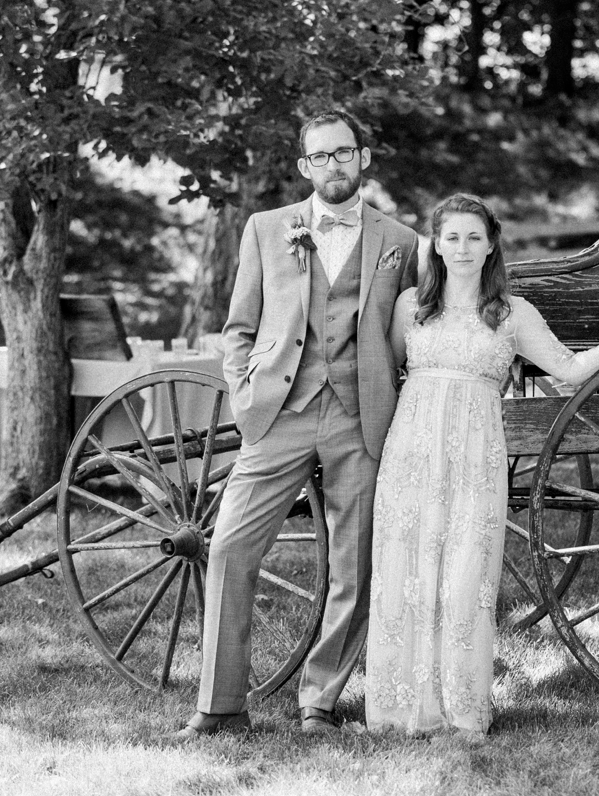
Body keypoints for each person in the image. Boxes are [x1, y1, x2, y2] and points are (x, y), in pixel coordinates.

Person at [363, 193, 599, 737]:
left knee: (465, 570)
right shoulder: (411, 305)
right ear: (436, 246)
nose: (461, 249)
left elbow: (570, 369)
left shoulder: (511, 314)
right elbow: (388, 371)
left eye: (473, 238)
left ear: (490, 247)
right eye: (451, 238)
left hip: (475, 453)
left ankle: (459, 708)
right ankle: (398, 709)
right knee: (405, 568)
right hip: (411, 449)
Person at [174, 110, 419, 739]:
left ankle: (320, 700)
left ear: (363, 158)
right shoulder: (266, 229)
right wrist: (244, 391)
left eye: (344, 153)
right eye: (320, 157)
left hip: (360, 417)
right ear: (304, 165)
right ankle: (221, 703)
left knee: (354, 565)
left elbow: (408, 328)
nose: (332, 166)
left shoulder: (401, 242)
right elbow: (238, 328)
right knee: (228, 548)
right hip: (277, 413)